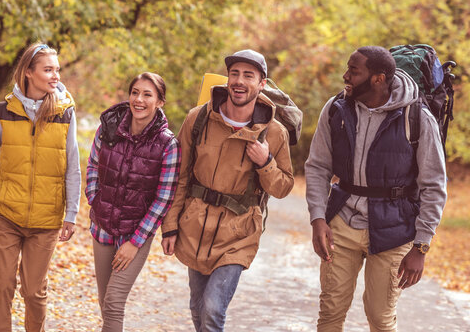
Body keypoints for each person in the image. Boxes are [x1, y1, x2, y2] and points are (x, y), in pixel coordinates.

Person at [305, 46, 447, 332]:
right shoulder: (336, 109)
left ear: (378, 79)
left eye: (354, 71)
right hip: (341, 224)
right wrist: (318, 218)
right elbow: (318, 166)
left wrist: (421, 245)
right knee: (330, 312)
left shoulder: (417, 118)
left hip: (395, 228)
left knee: (380, 317)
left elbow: (434, 185)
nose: (345, 76)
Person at [161, 49, 295, 332]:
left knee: (212, 309)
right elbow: (180, 177)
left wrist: (266, 162)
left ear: (262, 84)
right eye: (235, 73)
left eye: (249, 75)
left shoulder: (274, 133)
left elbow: (283, 187)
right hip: (194, 227)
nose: (239, 81)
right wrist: (170, 225)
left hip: (239, 234)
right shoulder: (198, 118)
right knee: (198, 308)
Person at [0, 42, 81, 332]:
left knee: (34, 292)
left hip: (46, 220)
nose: (55, 76)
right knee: (1, 286)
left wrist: (71, 213)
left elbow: (73, 165)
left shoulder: (65, 114)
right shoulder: (5, 110)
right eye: (48, 70)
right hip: (6, 215)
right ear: (28, 72)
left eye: (57, 70)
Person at [85, 72, 181, 332]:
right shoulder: (109, 127)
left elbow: (164, 198)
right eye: (135, 92)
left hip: (135, 234)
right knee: (106, 305)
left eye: (147, 94)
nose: (139, 99)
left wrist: (135, 242)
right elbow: (93, 165)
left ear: (160, 102)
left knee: (114, 302)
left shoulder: (167, 144)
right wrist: (96, 200)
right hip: (102, 228)